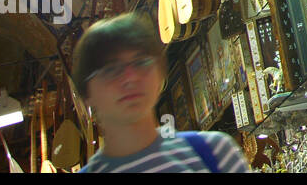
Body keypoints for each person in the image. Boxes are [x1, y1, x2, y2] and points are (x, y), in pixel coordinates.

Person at [73, 12, 249, 172]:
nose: (130, 77)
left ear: (159, 75)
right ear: (86, 93)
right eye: (111, 70)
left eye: (140, 63)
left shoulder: (215, 152)